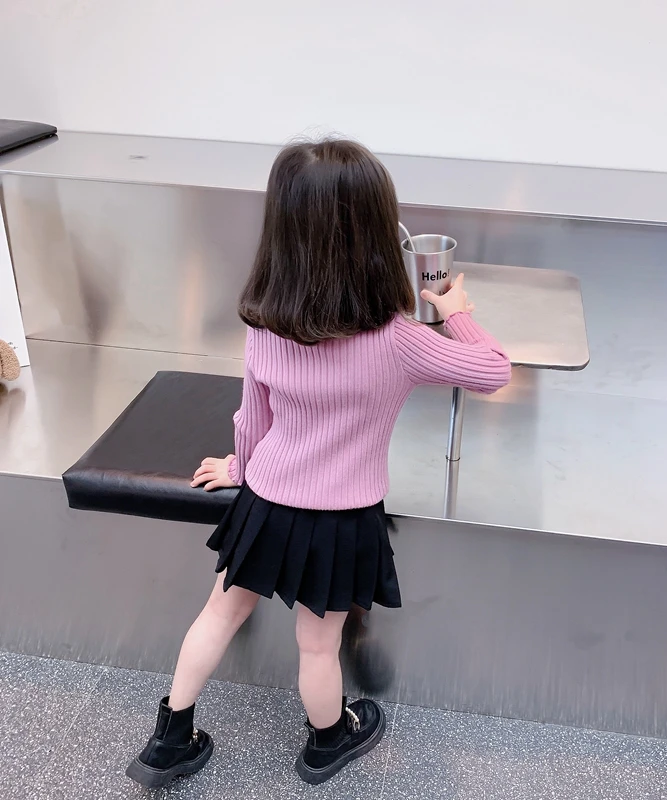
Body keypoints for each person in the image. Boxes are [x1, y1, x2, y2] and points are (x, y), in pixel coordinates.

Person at [125, 138, 511, 789]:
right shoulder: (400, 341)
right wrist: (456, 315)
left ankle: (170, 738)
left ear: (283, 232)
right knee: (317, 645)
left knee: (219, 613)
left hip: (265, 501)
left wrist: (240, 469)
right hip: (340, 520)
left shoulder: (264, 324)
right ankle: (328, 741)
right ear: (376, 236)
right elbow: (494, 371)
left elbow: (252, 418)